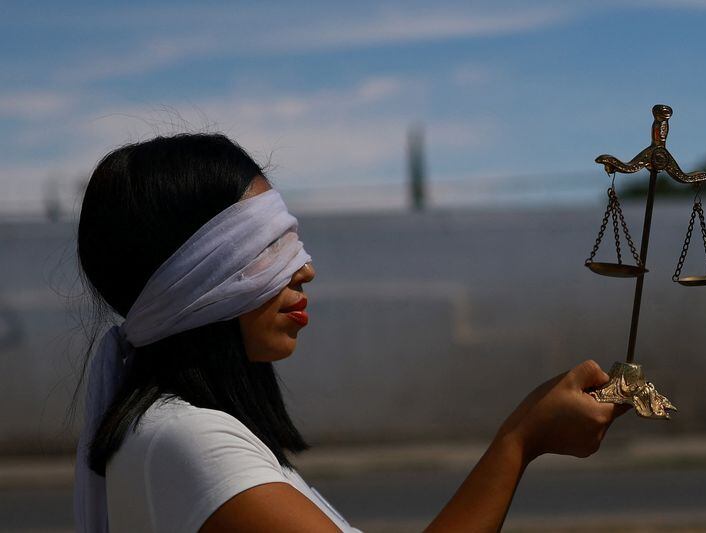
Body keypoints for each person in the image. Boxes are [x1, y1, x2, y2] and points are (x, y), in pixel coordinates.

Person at [72, 133, 628, 533]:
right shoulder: (186, 442)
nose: (305, 268)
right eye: (269, 249)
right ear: (194, 284)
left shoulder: (179, 432)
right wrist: (519, 441)